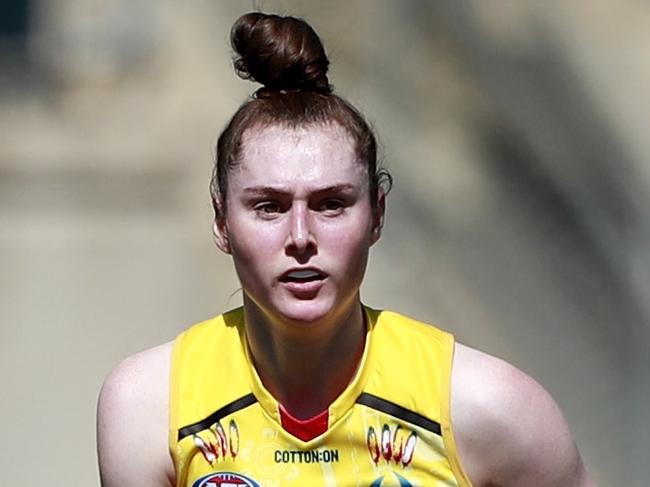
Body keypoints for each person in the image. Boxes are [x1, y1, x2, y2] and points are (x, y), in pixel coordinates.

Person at [97, 12, 596, 487]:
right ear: (220, 221)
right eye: (268, 206)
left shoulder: (493, 409)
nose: (300, 236)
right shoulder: (151, 405)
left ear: (378, 213)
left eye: (331, 204)